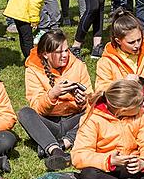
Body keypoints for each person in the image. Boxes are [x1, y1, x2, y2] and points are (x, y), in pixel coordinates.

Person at [18, 30, 91, 171]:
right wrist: (52, 95)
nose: (65, 55)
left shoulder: (78, 65)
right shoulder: (33, 70)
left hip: (74, 120)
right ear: (46, 54)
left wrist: (83, 101)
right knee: (25, 113)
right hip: (49, 121)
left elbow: (90, 97)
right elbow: (37, 107)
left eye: (66, 50)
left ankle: (64, 142)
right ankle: (55, 150)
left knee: (96, 110)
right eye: (59, 52)